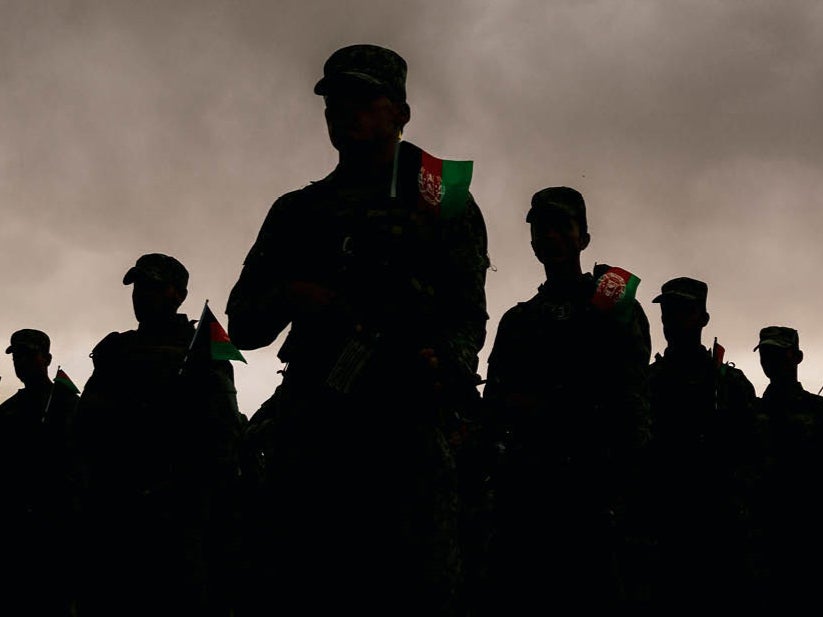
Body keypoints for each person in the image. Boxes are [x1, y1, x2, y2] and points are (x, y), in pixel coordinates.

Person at [226, 44, 489, 616]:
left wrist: (445, 360)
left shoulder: (442, 200)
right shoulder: (299, 212)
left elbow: (468, 314)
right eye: (334, 103)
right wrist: (296, 295)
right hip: (316, 434)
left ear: (400, 112)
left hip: (405, 434)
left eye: (363, 100)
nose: (344, 114)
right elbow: (243, 324)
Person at [481, 186, 652, 613]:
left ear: (583, 238)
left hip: (595, 490)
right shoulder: (519, 321)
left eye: (562, 227)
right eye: (541, 229)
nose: (550, 237)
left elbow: (629, 392)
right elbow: (496, 405)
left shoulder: (611, 301)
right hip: (529, 494)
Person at [75, 253, 243, 617]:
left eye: (152, 286)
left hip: (177, 512)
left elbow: (222, 438)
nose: (140, 295)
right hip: (114, 507)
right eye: (137, 286)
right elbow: (84, 428)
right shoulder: (114, 349)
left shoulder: (202, 348)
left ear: (178, 294)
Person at [647, 277, 760, 608]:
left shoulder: (730, 385)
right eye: (667, 311)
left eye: (684, 310)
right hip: (664, 534)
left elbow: (753, 458)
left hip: (719, 534)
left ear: (703, 318)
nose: (672, 319)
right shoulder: (648, 383)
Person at [0, 328, 80, 616]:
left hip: (56, 530)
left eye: (28, 354)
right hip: (15, 533)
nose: (20, 361)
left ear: (46, 358)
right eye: (16, 355)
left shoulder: (68, 405)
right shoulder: (8, 411)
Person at [753, 326, 823, 608]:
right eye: (766, 354)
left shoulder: (816, 411)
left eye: (779, 354)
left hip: (809, 539)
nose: (771, 361)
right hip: (763, 542)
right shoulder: (750, 411)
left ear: (797, 357)